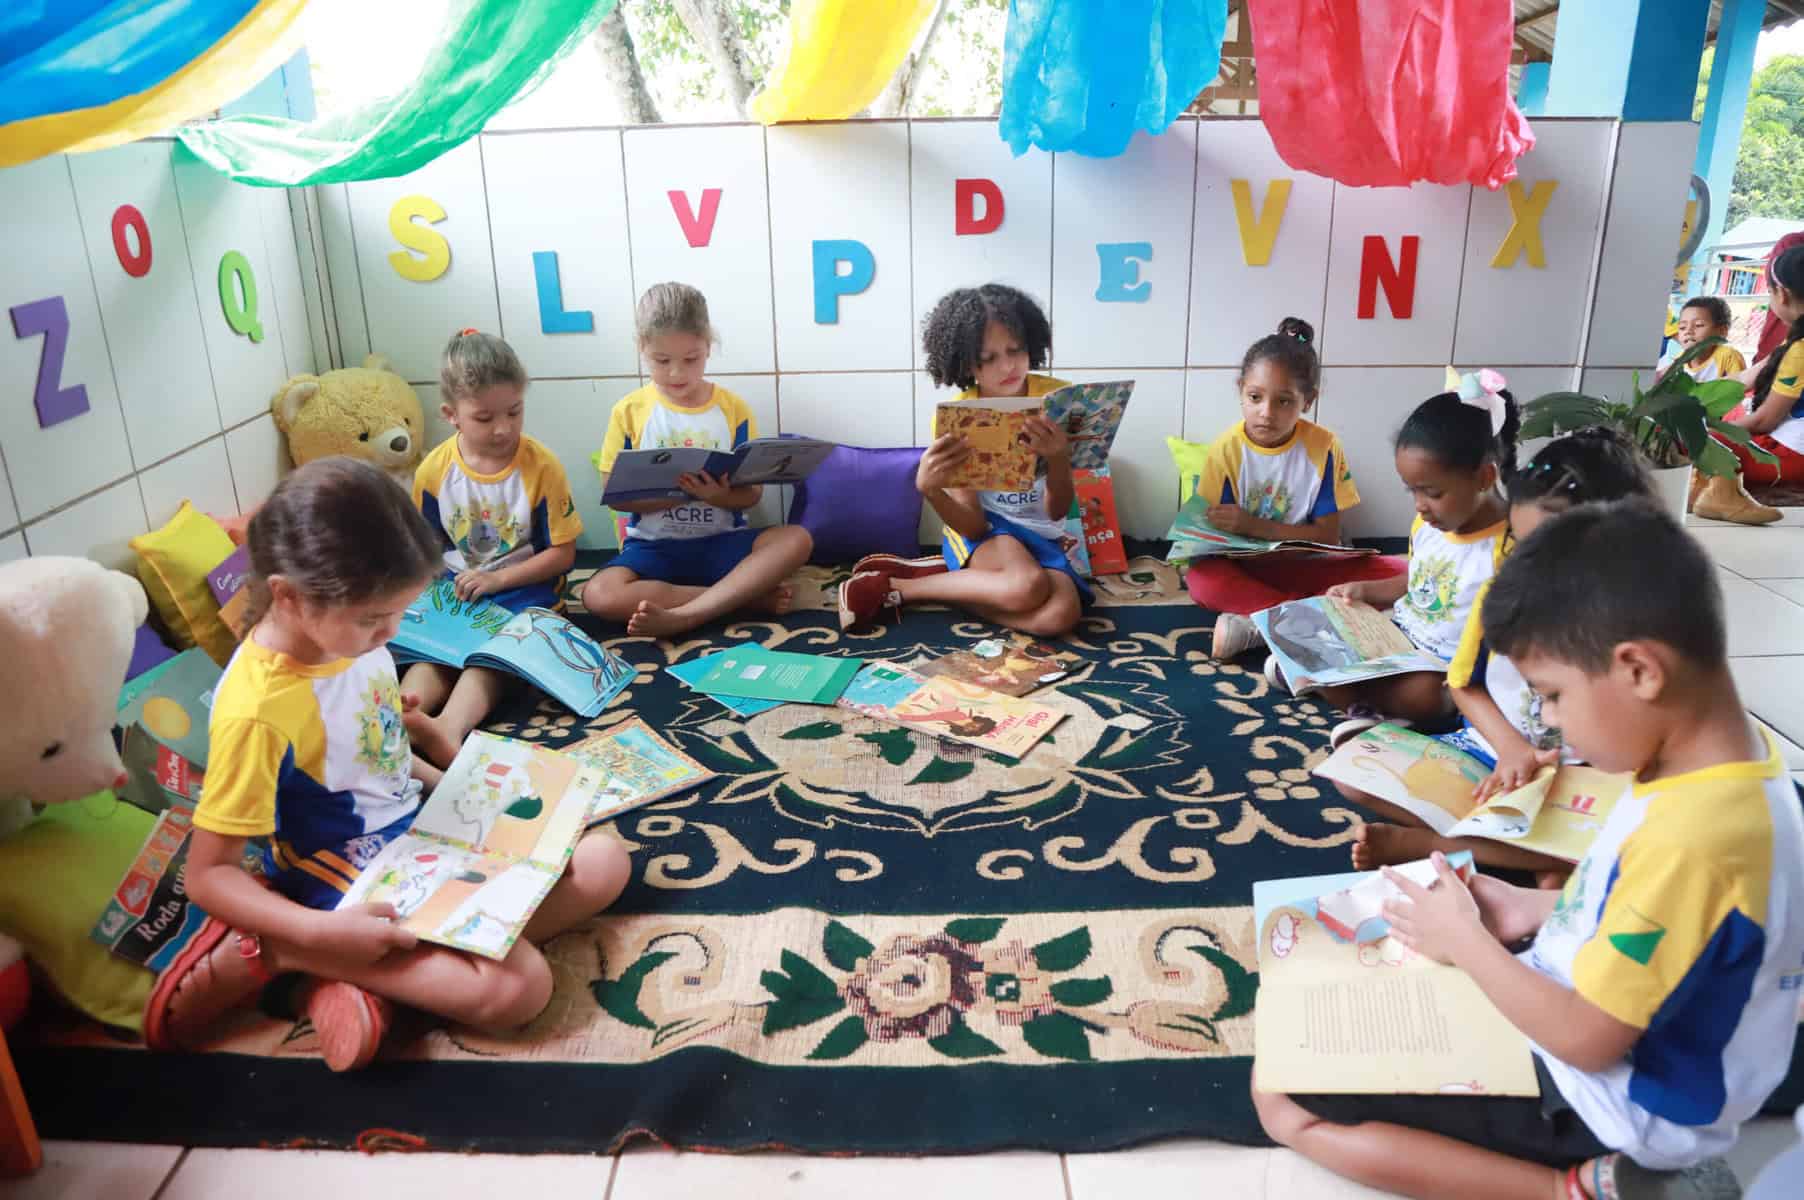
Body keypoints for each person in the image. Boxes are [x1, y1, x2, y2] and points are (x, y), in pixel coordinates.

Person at [1254, 500, 1804, 1200]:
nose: (1543, 721)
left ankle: (1570, 1187)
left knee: (1280, 1089)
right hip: (1604, 1019)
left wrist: (1468, 944)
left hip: (1605, 1100)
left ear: (1639, 670)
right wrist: (1527, 904)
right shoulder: (1724, 767)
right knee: (1328, 989)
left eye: (1550, 695)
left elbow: (1586, 1038)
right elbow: (1678, 923)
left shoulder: (1698, 839)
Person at [166, 458, 631, 1071]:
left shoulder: (352, 638)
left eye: (399, 616)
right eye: (372, 620)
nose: (388, 634)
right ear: (288, 595)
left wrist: (482, 807)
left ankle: (376, 985)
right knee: (520, 988)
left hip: (415, 833)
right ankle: (289, 959)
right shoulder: (257, 710)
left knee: (603, 860)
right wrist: (316, 934)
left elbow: (382, 764)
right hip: (342, 873)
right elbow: (209, 877)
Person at [1347, 429, 1655, 876]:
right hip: (1493, 749)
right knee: (1355, 773)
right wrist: (1511, 749)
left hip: (1582, 774)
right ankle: (1535, 856)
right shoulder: (1506, 595)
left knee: (1627, 835)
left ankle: (1436, 844)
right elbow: (1463, 684)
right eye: (1523, 543)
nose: (1529, 562)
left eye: (1550, 547)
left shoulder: (1640, 622)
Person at [838, 283, 1087, 637]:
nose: (1008, 365)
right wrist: (931, 491)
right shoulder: (958, 418)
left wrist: (1059, 458)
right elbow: (972, 526)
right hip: (988, 533)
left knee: (1061, 616)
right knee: (1026, 587)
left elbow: (1057, 512)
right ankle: (897, 587)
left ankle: (954, 584)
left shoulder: (1058, 400)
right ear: (967, 363)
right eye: (989, 358)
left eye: (1016, 350)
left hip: (1042, 534)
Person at [582, 283, 812, 637]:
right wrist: (680, 493)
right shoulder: (629, 411)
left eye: (691, 359)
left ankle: (685, 614)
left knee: (796, 538)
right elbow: (613, 494)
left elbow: (750, 495)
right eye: (662, 361)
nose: (677, 373)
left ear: (708, 345)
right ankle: (738, 601)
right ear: (642, 348)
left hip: (721, 543)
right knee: (598, 594)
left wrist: (716, 497)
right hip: (654, 549)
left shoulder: (733, 409)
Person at [1301, 378, 1518, 744]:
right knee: (1321, 622)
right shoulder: (1428, 525)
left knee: (1423, 696)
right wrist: (1368, 591)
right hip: (1397, 638)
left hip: (1443, 669)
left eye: (1432, 492)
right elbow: (1418, 581)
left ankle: (1355, 702)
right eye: (1412, 490)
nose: (1419, 504)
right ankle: (1358, 700)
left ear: (1484, 477)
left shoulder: (1507, 549)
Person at [404, 329, 583, 768]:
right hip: (458, 591)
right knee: (436, 652)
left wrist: (498, 579)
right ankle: (395, 720)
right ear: (452, 414)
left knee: (493, 655)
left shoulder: (541, 467)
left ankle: (448, 728)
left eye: (514, 412)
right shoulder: (435, 470)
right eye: (484, 418)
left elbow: (563, 554)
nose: (503, 428)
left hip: (526, 591)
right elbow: (425, 547)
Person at [1194, 317, 1405, 656]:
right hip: (1245, 570)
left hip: (1304, 564)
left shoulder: (1323, 448)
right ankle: (1311, 617)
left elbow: (1327, 535)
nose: (1266, 412)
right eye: (1255, 397)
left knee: (1406, 572)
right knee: (1203, 578)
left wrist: (1254, 526)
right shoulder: (1226, 450)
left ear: (1308, 401)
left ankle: (1266, 623)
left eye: (1284, 401)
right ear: (1241, 392)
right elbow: (1205, 536)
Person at [1656, 297, 1745, 382]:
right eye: (1682, 327)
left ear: (1722, 331)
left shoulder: (1728, 356)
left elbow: (1738, 389)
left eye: (1698, 325)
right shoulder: (1680, 359)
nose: (1688, 331)